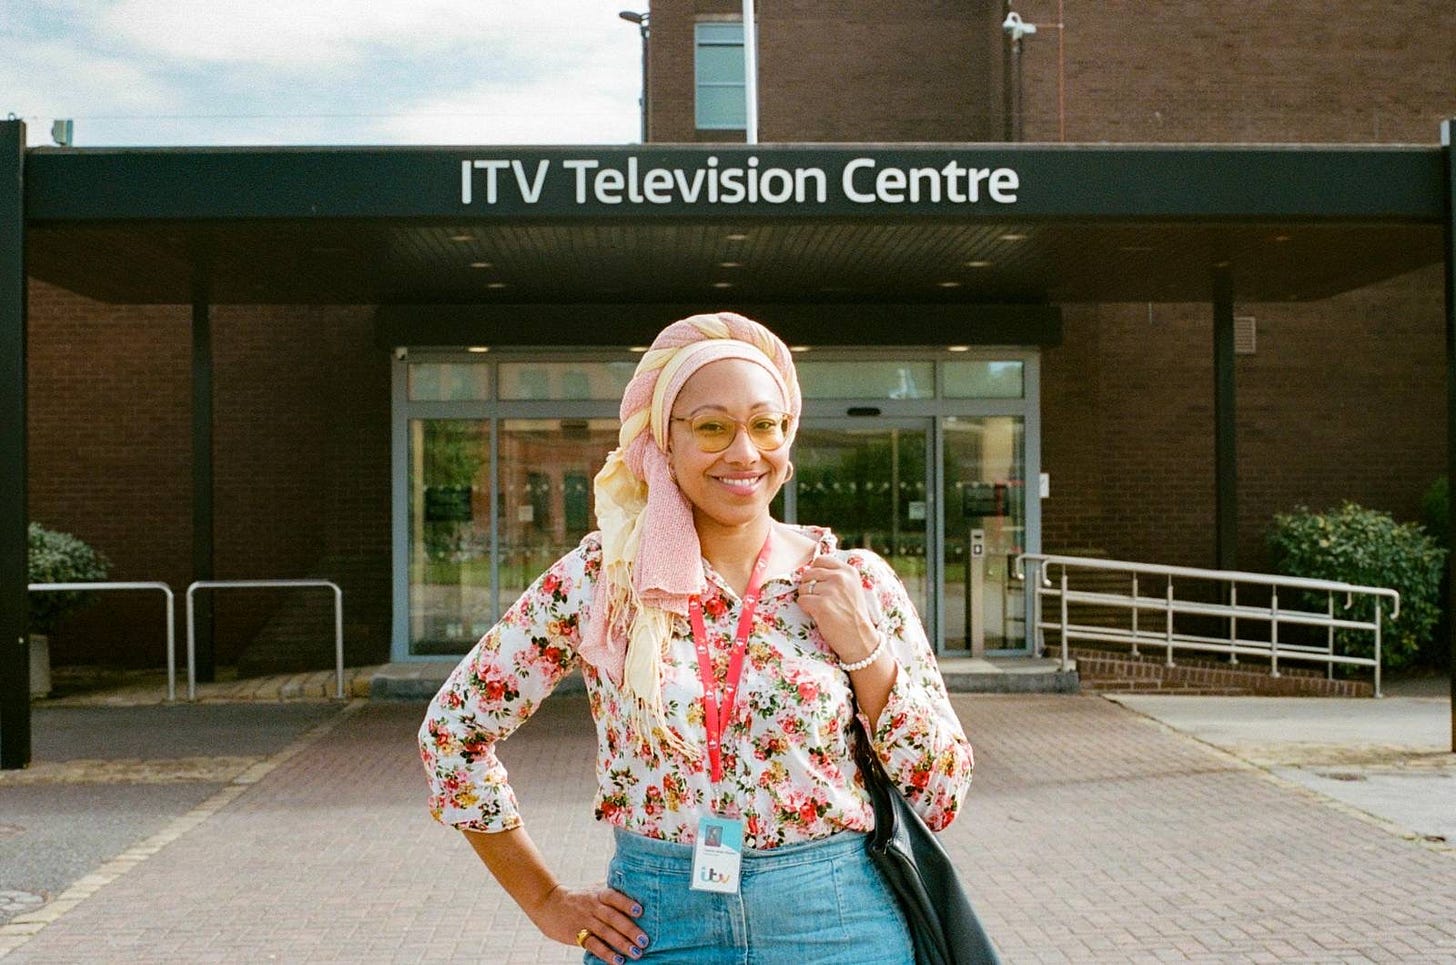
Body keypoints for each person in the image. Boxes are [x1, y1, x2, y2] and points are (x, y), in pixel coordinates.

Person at [420, 312, 974, 964]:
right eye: (713, 426)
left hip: (837, 923)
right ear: (663, 440)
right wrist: (544, 900)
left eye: (766, 425)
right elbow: (453, 731)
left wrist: (866, 651)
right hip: (658, 924)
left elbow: (939, 794)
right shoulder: (604, 580)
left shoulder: (856, 583)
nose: (744, 452)